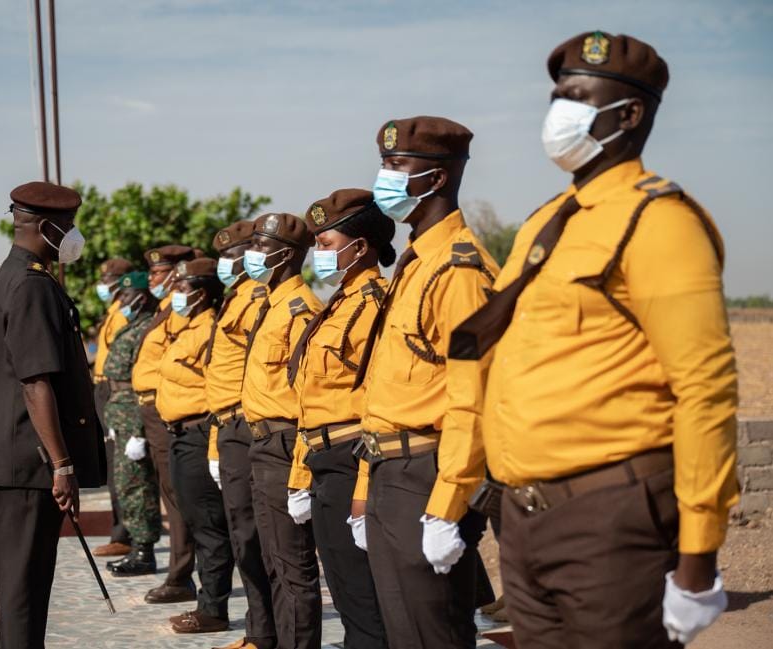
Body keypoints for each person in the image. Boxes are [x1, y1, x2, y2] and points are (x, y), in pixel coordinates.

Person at [450, 31, 738, 648]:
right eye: (556, 96)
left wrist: (697, 557)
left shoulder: (659, 221)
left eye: (576, 96)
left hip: (610, 519)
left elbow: (705, 391)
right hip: (525, 520)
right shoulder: (547, 221)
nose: (559, 112)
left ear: (629, 114)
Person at [353, 116, 499, 649]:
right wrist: (367, 489)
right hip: (392, 471)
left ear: (435, 179)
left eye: (395, 166)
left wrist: (447, 506)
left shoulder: (459, 272)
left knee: (433, 632)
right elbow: (387, 393)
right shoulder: (416, 264)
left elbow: (473, 398)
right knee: (404, 632)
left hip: (428, 473)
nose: (382, 177)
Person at [0, 181, 105, 649]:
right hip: (30, 465)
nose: (73, 235)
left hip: (16, 459)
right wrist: (62, 464)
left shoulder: (3, 278)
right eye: (69, 227)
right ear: (48, 228)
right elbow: (35, 382)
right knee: (24, 592)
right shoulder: (31, 286)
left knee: (22, 589)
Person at [285, 189, 393, 649]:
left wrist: (365, 490)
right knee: (346, 589)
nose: (318, 254)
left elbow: (375, 402)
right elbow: (311, 400)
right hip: (323, 461)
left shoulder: (374, 304)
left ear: (361, 246)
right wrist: (299, 474)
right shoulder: (338, 302)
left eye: (326, 244)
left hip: (353, 461)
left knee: (367, 597)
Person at [241, 212, 322, 649]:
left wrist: (301, 472)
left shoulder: (302, 310)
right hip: (262, 442)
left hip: (286, 443)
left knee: (293, 567)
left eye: (262, 246)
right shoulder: (269, 306)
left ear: (286, 255)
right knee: (273, 559)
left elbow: (310, 396)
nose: (252, 255)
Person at [204, 221, 274, 649]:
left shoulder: (256, 299)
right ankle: (259, 628)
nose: (226, 265)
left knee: (253, 536)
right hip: (229, 427)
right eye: (225, 258)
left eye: (234, 256)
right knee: (242, 534)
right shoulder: (235, 301)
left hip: (248, 426)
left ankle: (264, 631)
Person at [157, 257, 235, 634]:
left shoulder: (210, 330)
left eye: (183, 289)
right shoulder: (187, 327)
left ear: (202, 295)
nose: (176, 294)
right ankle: (208, 603)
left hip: (200, 432)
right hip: (179, 434)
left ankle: (213, 609)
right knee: (197, 521)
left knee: (209, 526)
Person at [130, 245, 200, 603]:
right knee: (169, 494)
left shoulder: (182, 308)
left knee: (177, 497)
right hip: (152, 409)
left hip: (166, 409)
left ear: (175, 273)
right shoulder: (164, 308)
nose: (153, 280)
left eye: (159, 274)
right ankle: (180, 571)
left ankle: (180, 575)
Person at [101, 271, 164, 578]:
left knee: (138, 486)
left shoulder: (147, 327)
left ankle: (144, 550)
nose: (121, 301)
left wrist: (139, 430)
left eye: (127, 296)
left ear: (141, 296)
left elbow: (145, 381)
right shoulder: (132, 325)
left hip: (134, 413)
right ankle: (137, 545)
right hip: (120, 412)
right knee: (126, 485)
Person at [89, 257, 135, 557]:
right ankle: (120, 531)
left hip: (118, 391)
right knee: (113, 468)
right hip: (103, 387)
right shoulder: (112, 312)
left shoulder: (126, 314)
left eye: (110, 279)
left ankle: (125, 534)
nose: (104, 284)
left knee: (122, 469)